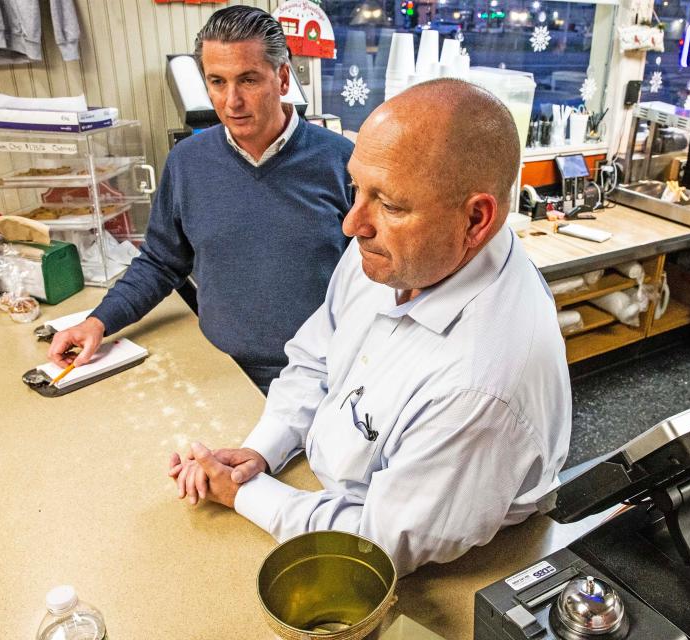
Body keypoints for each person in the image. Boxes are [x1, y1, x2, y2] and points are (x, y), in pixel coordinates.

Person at [169, 78, 572, 576]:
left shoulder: (481, 383)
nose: (352, 223)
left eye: (391, 204)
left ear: (475, 219)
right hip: (326, 498)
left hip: (443, 569)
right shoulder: (400, 254)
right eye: (358, 188)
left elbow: (379, 544)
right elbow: (316, 354)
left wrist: (246, 493)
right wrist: (263, 448)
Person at [48, 6, 354, 392]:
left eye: (248, 80)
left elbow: (377, 283)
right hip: (221, 369)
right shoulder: (187, 162)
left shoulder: (342, 162)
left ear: (282, 76)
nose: (231, 101)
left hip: (322, 374)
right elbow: (161, 261)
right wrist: (98, 320)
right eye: (217, 81)